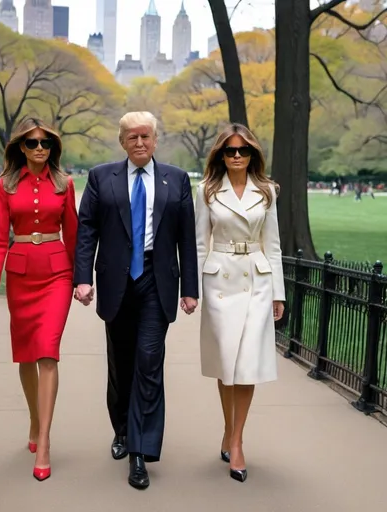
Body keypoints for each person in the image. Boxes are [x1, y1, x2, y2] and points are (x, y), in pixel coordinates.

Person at [74, 111, 198, 490]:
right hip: (116, 282)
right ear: (122, 142)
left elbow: (186, 238)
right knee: (121, 364)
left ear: (156, 140)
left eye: (146, 136)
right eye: (132, 137)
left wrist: (189, 288)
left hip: (155, 281)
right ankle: (122, 429)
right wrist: (82, 278)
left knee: (148, 360)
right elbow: (87, 230)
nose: (140, 142)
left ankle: (140, 453)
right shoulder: (101, 177)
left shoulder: (175, 180)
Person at [0, 117, 78, 482]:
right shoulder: (6, 185)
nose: (40, 149)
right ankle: (35, 420)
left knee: (47, 352)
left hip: (56, 274)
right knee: (25, 354)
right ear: (20, 147)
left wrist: (82, 280)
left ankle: (45, 438)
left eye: (46, 144)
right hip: (20, 276)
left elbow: (74, 234)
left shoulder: (64, 183)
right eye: (32, 143)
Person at [195, 123, 285, 483]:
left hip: (256, 279)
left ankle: (236, 440)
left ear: (252, 155)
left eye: (243, 151)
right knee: (226, 363)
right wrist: (196, 288)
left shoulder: (267, 191)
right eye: (230, 151)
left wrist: (278, 292)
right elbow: (200, 243)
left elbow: (273, 244)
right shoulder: (206, 191)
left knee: (246, 363)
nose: (236, 156)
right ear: (220, 154)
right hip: (220, 281)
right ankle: (229, 427)